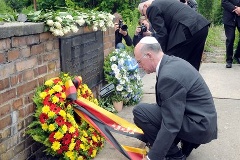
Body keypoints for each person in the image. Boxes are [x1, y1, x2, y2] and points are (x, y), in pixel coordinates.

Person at [133, 36, 218, 160]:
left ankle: (174, 156)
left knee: (141, 112)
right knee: (151, 111)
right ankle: (183, 143)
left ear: (149, 55)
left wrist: (152, 157)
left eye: (139, 61)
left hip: (199, 126)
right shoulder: (171, 62)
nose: (139, 66)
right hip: (201, 119)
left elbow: (171, 123)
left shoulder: (168, 76)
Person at [138, 0, 210, 71]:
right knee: (192, 64)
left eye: (143, 14)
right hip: (201, 26)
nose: (146, 17)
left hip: (187, 29)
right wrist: (152, 34)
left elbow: (162, 35)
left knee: (170, 62)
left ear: (145, 6)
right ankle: (192, 81)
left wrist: (158, 53)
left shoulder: (152, 7)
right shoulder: (163, 3)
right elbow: (167, 29)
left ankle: (170, 81)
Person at [222, 0, 240, 68]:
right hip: (229, 17)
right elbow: (224, 2)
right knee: (230, 39)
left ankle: (238, 55)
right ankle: (229, 60)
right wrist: (235, 9)